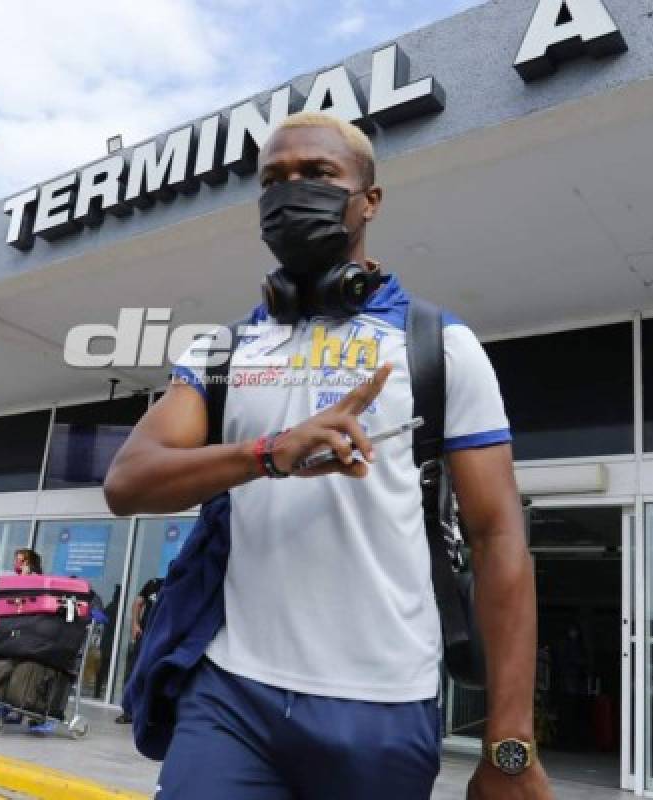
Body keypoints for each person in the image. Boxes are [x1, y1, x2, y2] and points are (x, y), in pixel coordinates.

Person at [104, 112, 552, 800]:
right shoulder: (222, 353)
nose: (292, 191)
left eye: (317, 174)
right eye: (274, 180)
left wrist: (510, 745)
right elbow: (129, 481)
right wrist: (267, 453)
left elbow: (499, 539)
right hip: (230, 697)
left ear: (368, 200)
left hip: (383, 706)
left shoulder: (439, 345)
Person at [115, 575, 165, 724]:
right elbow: (137, 603)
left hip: (164, 638)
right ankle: (128, 711)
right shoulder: (154, 584)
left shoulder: (179, 587)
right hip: (145, 636)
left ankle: (151, 714)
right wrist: (135, 624)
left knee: (157, 675)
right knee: (134, 672)